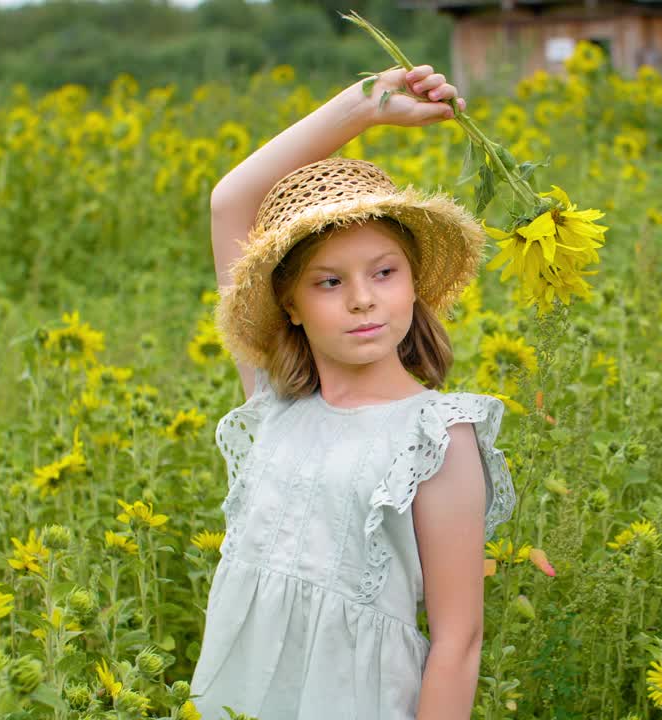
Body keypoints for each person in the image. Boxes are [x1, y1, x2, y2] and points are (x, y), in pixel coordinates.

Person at [192, 64, 518, 720]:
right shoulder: (278, 404)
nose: (363, 298)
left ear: (413, 282)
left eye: (384, 272)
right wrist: (362, 106)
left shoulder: (436, 435)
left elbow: (459, 640)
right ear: (289, 304)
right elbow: (230, 201)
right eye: (329, 282)